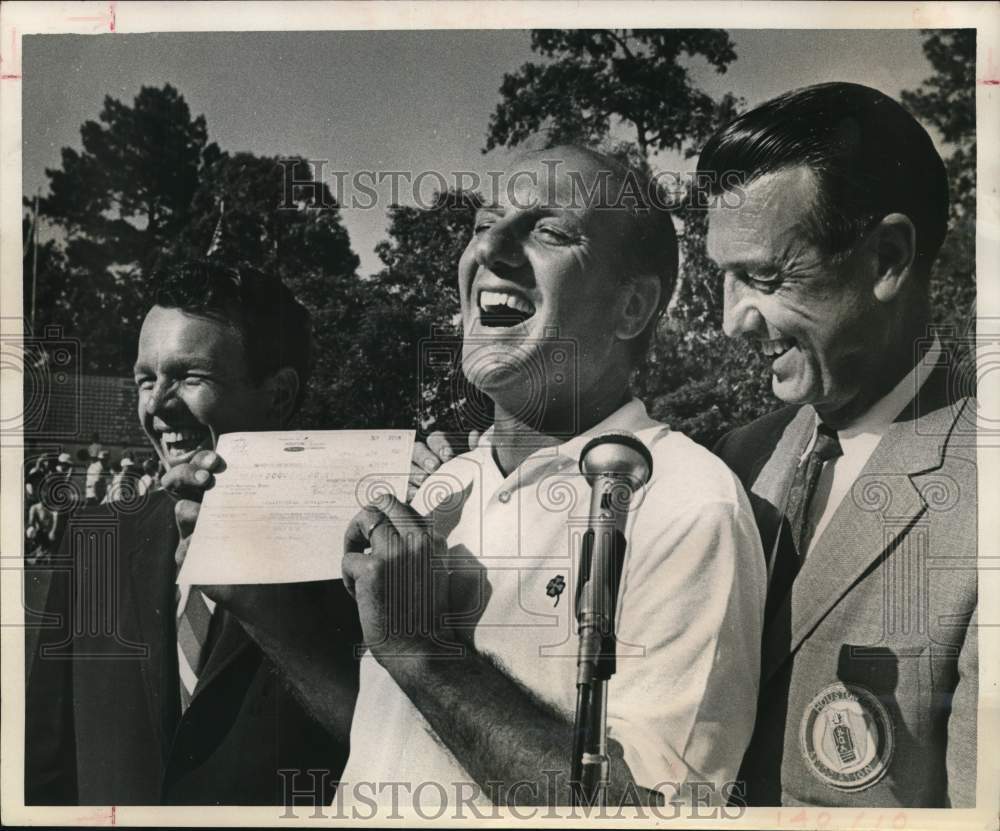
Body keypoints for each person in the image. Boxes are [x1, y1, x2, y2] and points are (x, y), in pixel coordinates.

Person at [170, 147, 767, 810]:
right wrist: (261, 606)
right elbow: (390, 739)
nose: (493, 248)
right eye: (486, 222)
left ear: (632, 307)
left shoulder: (688, 503)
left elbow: (645, 812)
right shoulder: (443, 486)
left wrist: (424, 651)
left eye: (549, 231)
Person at [698, 82, 977, 807]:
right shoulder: (737, 458)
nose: (735, 322)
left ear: (886, 258)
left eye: (764, 277)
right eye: (724, 280)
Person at [26, 259, 359, 805]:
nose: (157, 405)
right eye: (146, 379)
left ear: (278, 395)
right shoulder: (94, 543)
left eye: (190, 376)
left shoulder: (353, 553)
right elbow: (46, 766)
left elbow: (387, 750)